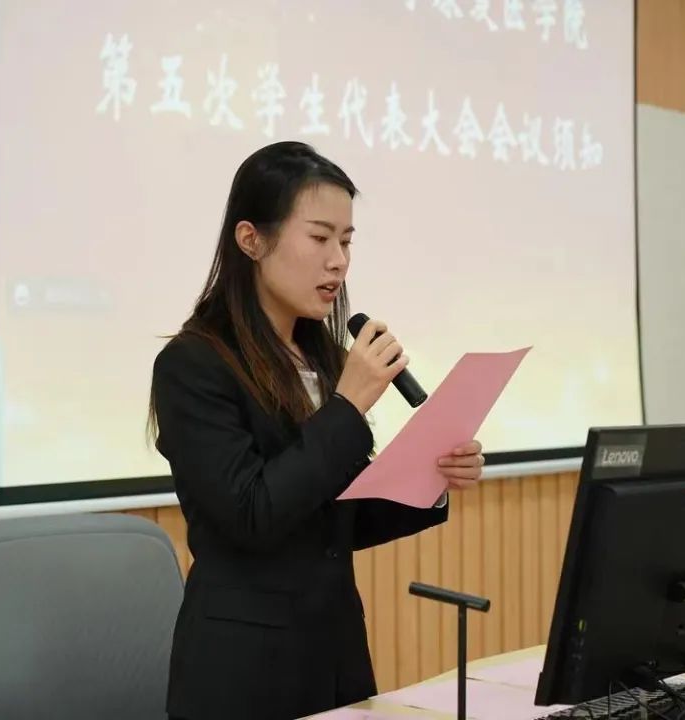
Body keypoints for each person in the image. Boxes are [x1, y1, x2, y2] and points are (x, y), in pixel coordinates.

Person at [148, 141, 484, 720]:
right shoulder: (192, 365)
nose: (338, 261)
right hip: (243, 672)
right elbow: (252, 515)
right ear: (251, 239)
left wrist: (432, 475)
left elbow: (336, 517)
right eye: (320, 237)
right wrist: (347, 407)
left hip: (335, 652)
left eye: (347, 241)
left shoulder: (322, 355)